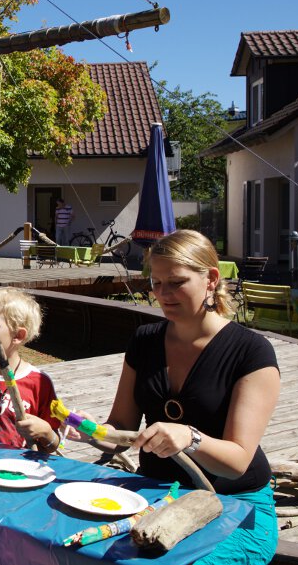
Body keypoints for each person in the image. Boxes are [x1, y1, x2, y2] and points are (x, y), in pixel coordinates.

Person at [76, 229, 280, 564]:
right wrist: (85, 430)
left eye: (176, 282)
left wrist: (190, 437)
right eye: (156, 283)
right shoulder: (145, 340)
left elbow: (237, 462)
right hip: (158, 497)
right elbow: (120, 427)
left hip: (235, 504)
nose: (163, 294)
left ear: (211, 279)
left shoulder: (251, 352)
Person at [0, 287, 61, 451]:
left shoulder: (38, 382)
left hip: (21, 469)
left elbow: (53, 446)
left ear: (18, 336)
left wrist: (46, 432)